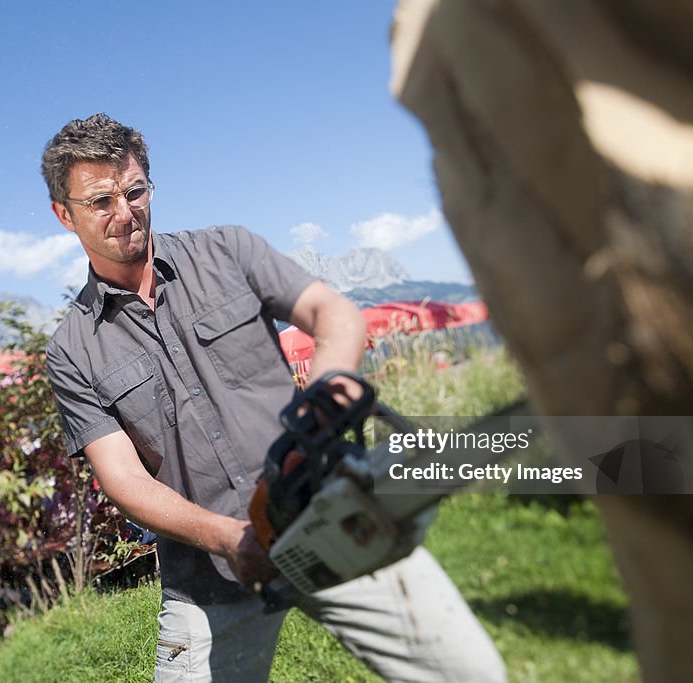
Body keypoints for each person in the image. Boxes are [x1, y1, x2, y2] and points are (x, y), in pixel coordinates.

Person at [43, 113, 505, 682]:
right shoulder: (72, 350)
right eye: (100, 200)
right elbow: (124, 480)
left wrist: (329, 395)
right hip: (209, 575)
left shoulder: (227, 251)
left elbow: (332, 312)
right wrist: (227, 537)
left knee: (471, 674)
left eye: (135, 190)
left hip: (330, 515)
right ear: (64, 213)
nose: (125, 211)